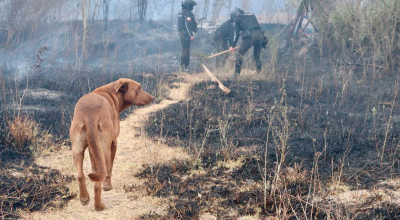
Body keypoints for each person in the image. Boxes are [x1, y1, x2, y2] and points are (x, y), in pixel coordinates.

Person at [229, 7, 268, 77]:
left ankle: (236, 75)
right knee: (257, 55)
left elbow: (236, 34)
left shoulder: (237, 19)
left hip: (251, 37)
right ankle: (258, 73)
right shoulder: (251, 16)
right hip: (261, 36)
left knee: (239, 54)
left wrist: (232, 46)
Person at [178, 0, 198, 71]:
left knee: (185, 49)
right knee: (186, 50)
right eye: (192, 6)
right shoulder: (188, 13)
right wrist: (191, 35)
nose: (192, 7)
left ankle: (184, 67)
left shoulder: (181, 12)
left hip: (181, 33)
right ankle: (184, 67)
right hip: (186, 33)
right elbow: (187, 25)